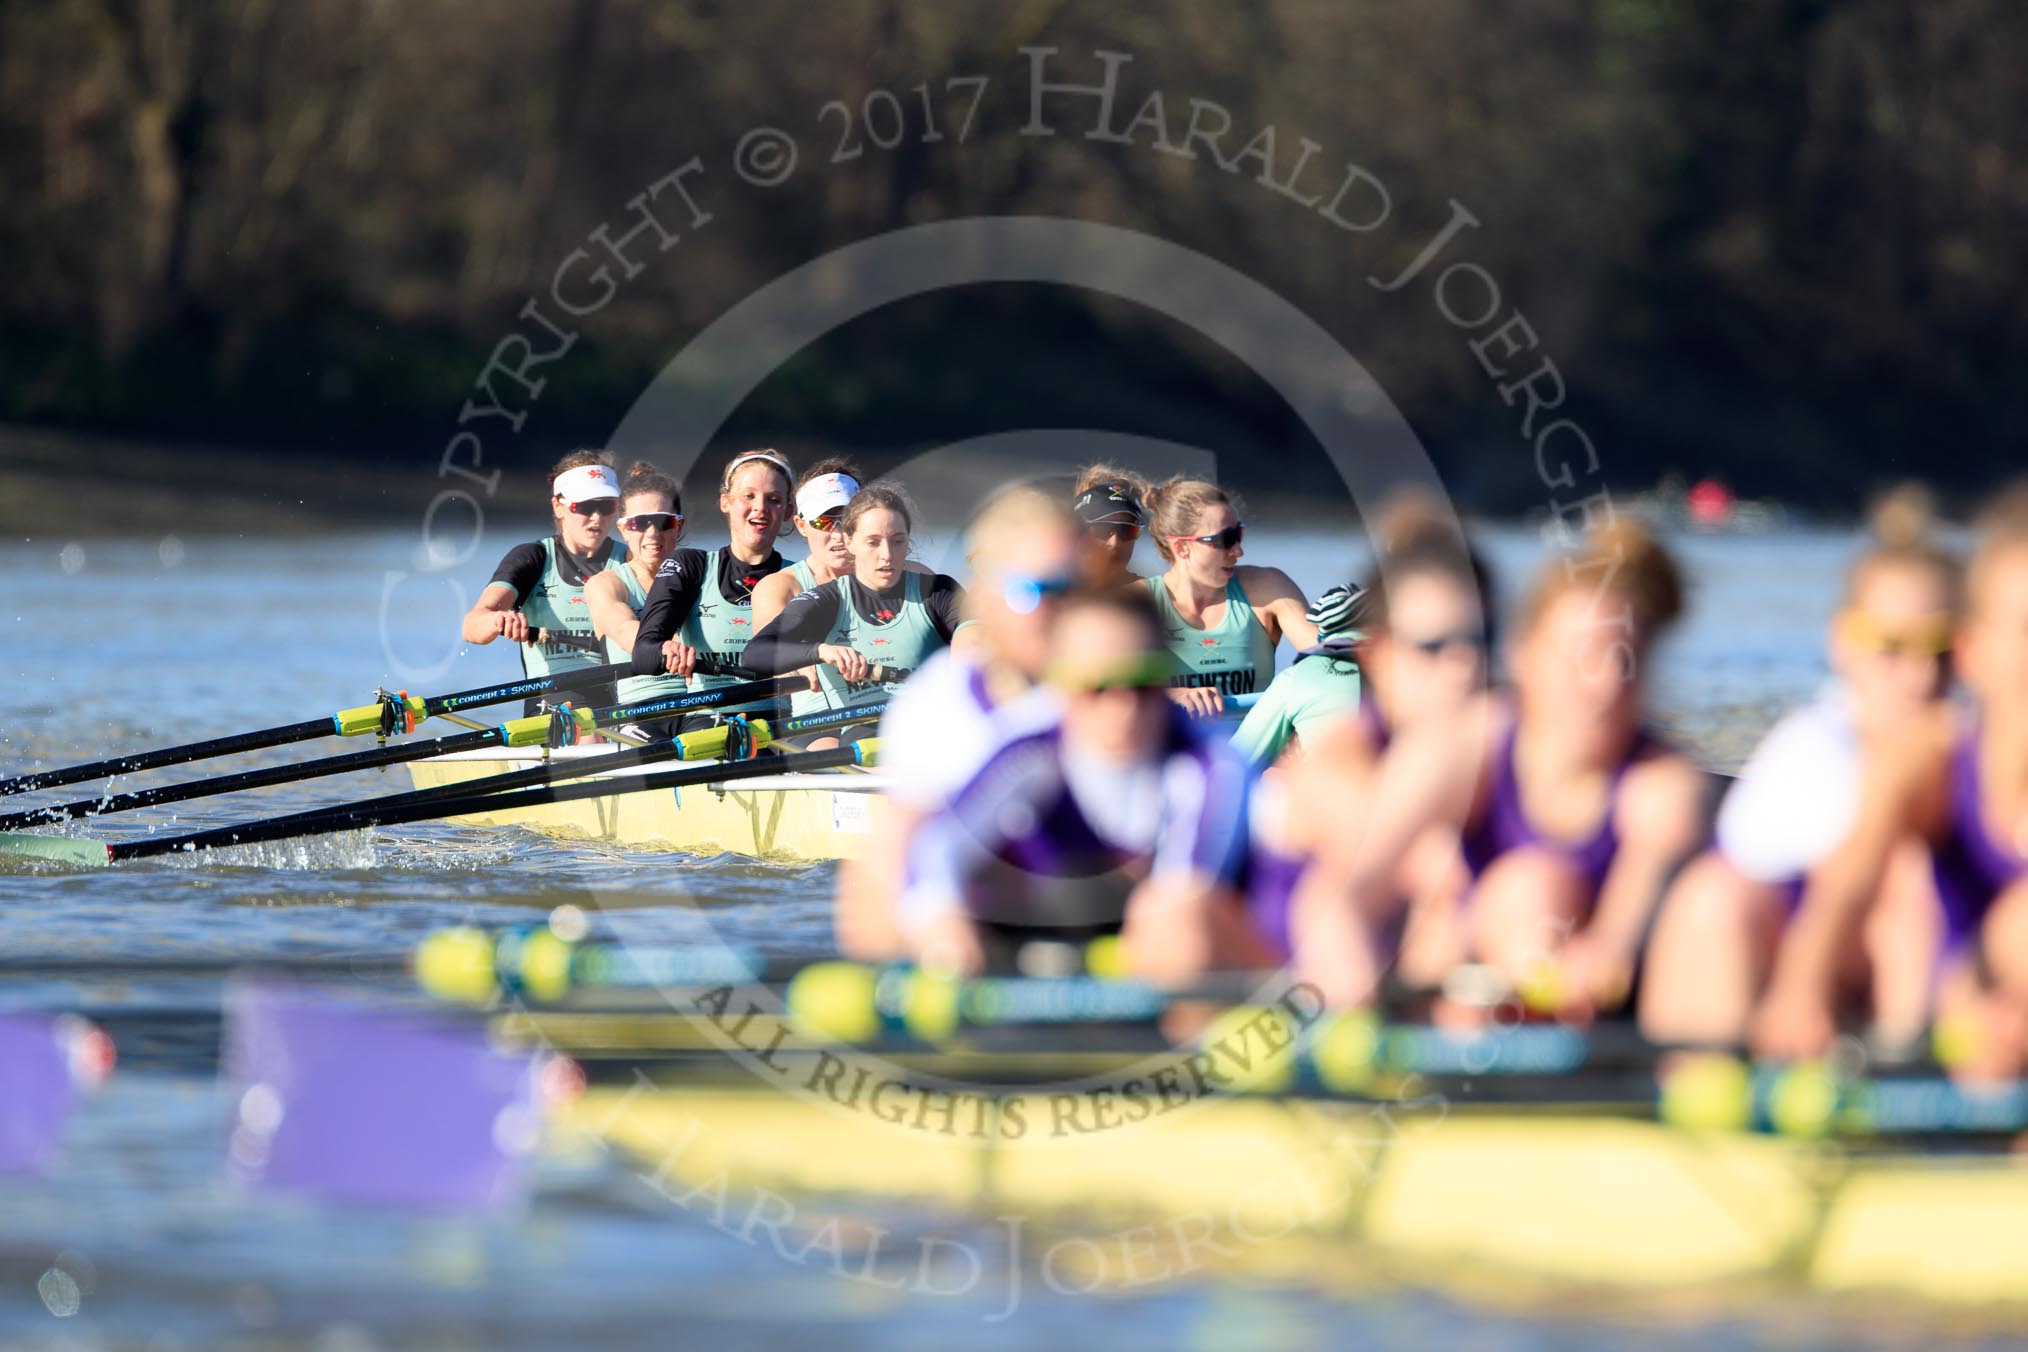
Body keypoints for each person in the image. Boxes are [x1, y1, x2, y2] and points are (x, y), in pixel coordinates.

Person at [1287, 519, 1709, 1016]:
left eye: (1627, 661)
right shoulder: (1468, 743)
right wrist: (1346, 957)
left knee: (1532, 887)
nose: (1606, 685)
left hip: (1604, 1010)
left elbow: (1612, 949)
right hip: (1478, 985)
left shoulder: (1666, 786)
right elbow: (1343, 892)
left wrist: (1593, 959)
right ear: (1523, 657)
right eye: (1583, 659)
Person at [1642, 490, 1958, 1048]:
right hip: (1775, 961)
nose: (1919, 676)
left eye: (1941, 649)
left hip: (1894, 967)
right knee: (1712, 901)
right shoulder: (1811, 749)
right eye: (1891, 646)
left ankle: (1925, 1097)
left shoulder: (1980, 746)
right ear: (1843, 641)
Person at [1755, 488, 2028, 1075]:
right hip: (1961, 1017)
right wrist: (1801, 992)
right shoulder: (1928, 759)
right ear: (1973, 651)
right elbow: (1850, 880)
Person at [895, 586, 1271, 982]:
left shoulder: (1210, 764)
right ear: (1060, 684)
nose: (1123, 707)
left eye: (1142, 683)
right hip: (1048, 922)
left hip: (1172, 941)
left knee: (1181, 925)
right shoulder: (1025, 745)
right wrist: (941, 923)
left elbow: (1185, 894)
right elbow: (936, 848)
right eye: (1098, 686)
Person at [1253, 513, 1498, 979]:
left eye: (1481, 641)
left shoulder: (1502, 731)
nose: (1464, 665)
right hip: (1305, 976)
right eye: (1432, 646)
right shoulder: (1342, 757)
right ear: (1378, 654)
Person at [838, 485, 1078, 958]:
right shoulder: (936, 704)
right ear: (987, 596)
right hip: (970, 925)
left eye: (1071, 591)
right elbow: (883, 877)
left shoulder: (1122, 679)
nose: (1057, 612)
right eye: (1033, 592)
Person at [741, 485, 970, 749]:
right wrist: (821, 651)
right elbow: (755, 656)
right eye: (873, 542)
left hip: (937, 726)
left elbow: (976, 634)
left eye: (897, 541)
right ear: (850, 542)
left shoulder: (938, 590)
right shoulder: (826, 600)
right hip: (869, 731)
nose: (886, 555)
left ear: (908, 542)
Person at [630, 449, 795, 730]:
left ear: (789, 512)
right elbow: (643, 654)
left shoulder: (797, 576)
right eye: (749, 496)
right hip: (708, 720)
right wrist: (666, 650)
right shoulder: (691, 566)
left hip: (777, 723)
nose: (760, 508)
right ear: (725, 502)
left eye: (774, 500)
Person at [460, 449, 629, 711]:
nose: (597, 517)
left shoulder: (631, 560)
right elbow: (472, 627)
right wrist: (498, 620)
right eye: (584, 506)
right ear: (558, 506)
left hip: (624, 696)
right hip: (554, 699)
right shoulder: (533, 558)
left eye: (606, 506)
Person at [1141, 477, 1316, 717]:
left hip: (1257, 750)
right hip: (1180, 751)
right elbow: (1107, 688)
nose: (1238, 551)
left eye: (1238, 534)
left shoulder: (1268, 587)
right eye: (1225, 540)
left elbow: (1326, 662)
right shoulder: (1140, 603)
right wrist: (1172, 694)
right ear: (1181, 547)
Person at [583, 462, 688, 737]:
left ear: (679, 525)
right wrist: (678, 647)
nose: (652, 533)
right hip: (639, 713)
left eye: (663, 522)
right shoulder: (606, 584)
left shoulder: (703, 574)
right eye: (639, 523)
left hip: (700, 708)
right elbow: (625, 630)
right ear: (623, 529)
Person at [1228, 584, 1365, 766]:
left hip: (1331, 789)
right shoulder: (1408, 669)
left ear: (1322, 636)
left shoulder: (1295, 677)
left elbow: (1234, 764)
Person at [751, 458, 864, 632]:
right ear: (801, 525)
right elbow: (768, 656)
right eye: (823, 522)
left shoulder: (905, 578)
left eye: (848, 519)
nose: (838, 533)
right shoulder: (778, 589)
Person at [1071, 463, 1149, 590]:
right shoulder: (1049, 590)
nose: (1114, 543)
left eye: (1127, 531)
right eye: (1103, 530)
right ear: (1078, 531)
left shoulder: (1151, 598)